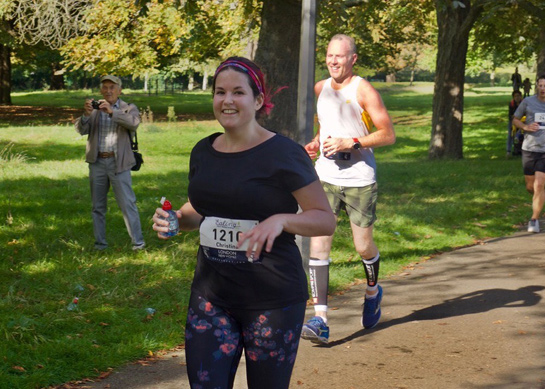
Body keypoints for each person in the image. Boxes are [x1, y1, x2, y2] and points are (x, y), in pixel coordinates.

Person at [152, 57, 335, 389]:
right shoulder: (203, 151)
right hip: (212, 295)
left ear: (258, 100)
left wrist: (281, 220)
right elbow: (201, 208)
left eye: (238, 92)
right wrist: (178, 219)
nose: (227, 101)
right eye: (220, 92)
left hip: (273, 299)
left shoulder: (284, 154)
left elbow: (324, 220)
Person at [300, 34, 396, 344]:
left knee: (362, 247)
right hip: (325, 176)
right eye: (329, 55)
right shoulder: (321, 88)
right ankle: (320, 319)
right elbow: (325, 125)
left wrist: (352, 142)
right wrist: (317, 142)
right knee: (319, 243)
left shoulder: (364, 90)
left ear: (352, 58)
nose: (332, 61)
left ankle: (372, 292)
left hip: (359, 179)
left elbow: (387, 134)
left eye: (339, 56)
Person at [75, 75, 145, 250]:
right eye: (105, 87)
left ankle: (138, 243)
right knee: (97, 207)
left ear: (119, 90)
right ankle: (100, 244)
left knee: (128, 205)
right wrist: (85, 115)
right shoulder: (95, 109)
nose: (108, 91)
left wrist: (113, 112)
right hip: (97, 162)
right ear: (101, 90)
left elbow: (134, 124)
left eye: (112, 87)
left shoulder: (128, 108)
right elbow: (81, 130)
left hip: (119, 164)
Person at [512, 73, 545, 233]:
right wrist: (525, 127)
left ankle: (534, 219)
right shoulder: (528, 102)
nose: (542, 89)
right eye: (539, 85)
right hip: (529, 148)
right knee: (531, 186)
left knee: (539, 184)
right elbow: (515, 119)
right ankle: (538, 196)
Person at [508, 90, 524, 156]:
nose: (517, 97)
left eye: (518, 96)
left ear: (521, 96)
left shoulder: (524, 104)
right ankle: (508, 151)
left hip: (523, 121)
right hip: (513, 121)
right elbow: (510, 115)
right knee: (510, 135)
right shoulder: (512, 104)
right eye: (515, 96)